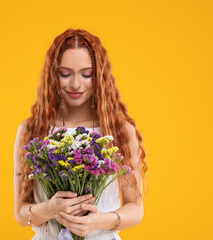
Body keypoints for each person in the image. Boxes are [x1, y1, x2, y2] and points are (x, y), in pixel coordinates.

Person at [14, 29, 148, 240]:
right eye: (65, 74)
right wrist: (50, 208)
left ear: (100, 76)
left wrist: (99, 221)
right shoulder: (31, 131)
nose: (76, 84)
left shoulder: (119, 132)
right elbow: (21, 213)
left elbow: (136, 208)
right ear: (53, 74)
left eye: (87, 74)